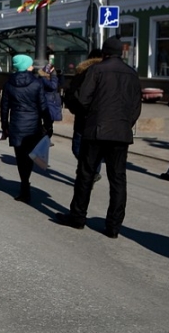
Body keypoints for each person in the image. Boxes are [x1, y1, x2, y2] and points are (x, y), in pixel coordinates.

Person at [55, 36, 142, 238]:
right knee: (118, 179)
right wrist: (125, 124)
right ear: (122, 53)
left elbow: (83, 99)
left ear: (104, 52)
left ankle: (77, 218)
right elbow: (136, 107)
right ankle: (113, 227)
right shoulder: (132, 74)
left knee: (86, 174)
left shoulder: (96, 70)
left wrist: (89, 117)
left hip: (95, 130)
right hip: (121, 132)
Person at [0, 54, 52, 203]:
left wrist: (5, 126)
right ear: (27, 65)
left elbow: (4, 107)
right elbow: (43, 106)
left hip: (16, 124)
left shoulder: (9, 83)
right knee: (29, 156)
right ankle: (25, 185)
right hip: (33, 125)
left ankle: (24, 186)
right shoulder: (36, 83)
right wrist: (48, 125)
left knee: (20, 157)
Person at [64, 49, 104, 181]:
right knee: (96, 148)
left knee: (78, 147)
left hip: (83, 118)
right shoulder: (110, 74)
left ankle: (87, 169)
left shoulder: (82, 73)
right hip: (103, 118)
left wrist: (76, 109)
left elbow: (71, 95)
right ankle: (92, 170)